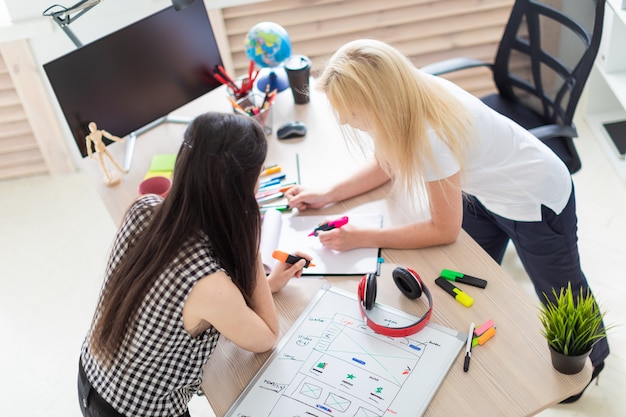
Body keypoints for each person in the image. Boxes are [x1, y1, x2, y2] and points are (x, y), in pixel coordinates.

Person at [285, 39, 609, 401]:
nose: (347, 121)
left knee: (562, 294)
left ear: (377, 101)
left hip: (535, 202)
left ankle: (589, 366)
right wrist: (329, 194)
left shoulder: (429, 135)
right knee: (467, 275)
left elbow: (443, 228)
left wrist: (363, 237)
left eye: (353, 115)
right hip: (482, 191)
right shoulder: (404, 96)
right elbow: (385, 164)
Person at [78, 112, 308, 417]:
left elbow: (174, 305)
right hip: (137, 411)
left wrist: (270, 284)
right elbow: (266, 337)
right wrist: (249, 235)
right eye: (259, 176)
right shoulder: (208, 284)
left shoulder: (143, 209)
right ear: (242, 190)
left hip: (93, 376)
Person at [85, 122, 126, 186]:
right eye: (91, 128)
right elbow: (88, 147)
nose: (93, 128)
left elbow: (111, 137)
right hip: (98, 149)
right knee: (102, 164)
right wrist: (91, 156)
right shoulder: (90, 137)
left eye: (93, 127)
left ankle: (121, 170)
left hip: (102, 146)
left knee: (112, 160)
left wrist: (119, 140)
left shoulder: (100, 132)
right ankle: (108, 177)